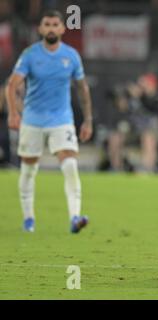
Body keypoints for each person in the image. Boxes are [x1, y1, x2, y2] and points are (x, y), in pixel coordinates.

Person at [5, 10, 93, 233]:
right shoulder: (30, 55)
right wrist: (13, 113)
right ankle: (28, 219)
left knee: (70, 164)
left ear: (63, 29)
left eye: (55, 24)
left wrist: (88, 120)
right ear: (41, 29)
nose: (52, 28)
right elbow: (12, 85)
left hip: (61, 119)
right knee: (28, 170)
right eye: (47, 24)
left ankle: (74, 217)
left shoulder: (71, 56)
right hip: (32, 120)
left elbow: (82, 88)